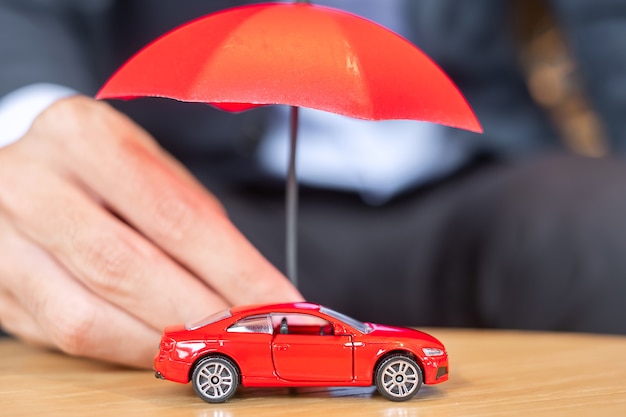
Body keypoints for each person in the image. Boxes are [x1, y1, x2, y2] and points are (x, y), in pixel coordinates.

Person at [1, 0, 625, 369]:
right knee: (130, 262)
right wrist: (29, 130)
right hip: (215, 192)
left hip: (484, 179)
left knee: (609, 223)